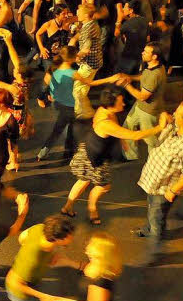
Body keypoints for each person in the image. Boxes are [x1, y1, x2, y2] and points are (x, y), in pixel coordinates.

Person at [64, 89, 168, 225]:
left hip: (90, 151)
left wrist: (122, 140)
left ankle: (67, 207)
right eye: (120, 102)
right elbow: (135, 135)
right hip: (94, 158)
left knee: (83, 180)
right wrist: (160, 127)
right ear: (111, 104)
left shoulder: (105, 110)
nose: (124, 104)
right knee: (103, 186)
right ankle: (92, 208)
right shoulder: (105, 122)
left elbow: (117, 129)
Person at [135, 101, 183, 260]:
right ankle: (149, 229)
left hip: (164, 189)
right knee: (152, 210)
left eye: (177, 114)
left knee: (157, 217)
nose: (174, 114)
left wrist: (172, 191)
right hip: (154, 183)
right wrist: (164, 117)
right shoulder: (180, 127)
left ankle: (155, 252)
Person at [118, 43, 167, 161]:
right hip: (140, 107)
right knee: (127, 129)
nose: (142, 53)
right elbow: (143, 76)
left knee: (150, 138)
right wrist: (130, 77)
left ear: (154, 56)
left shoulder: (155, 74)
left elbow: (142, 96)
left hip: (148, 111)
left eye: (146, 52)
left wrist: (126, 84)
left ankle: (157, 159)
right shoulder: (153, 66)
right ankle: (131, 156)